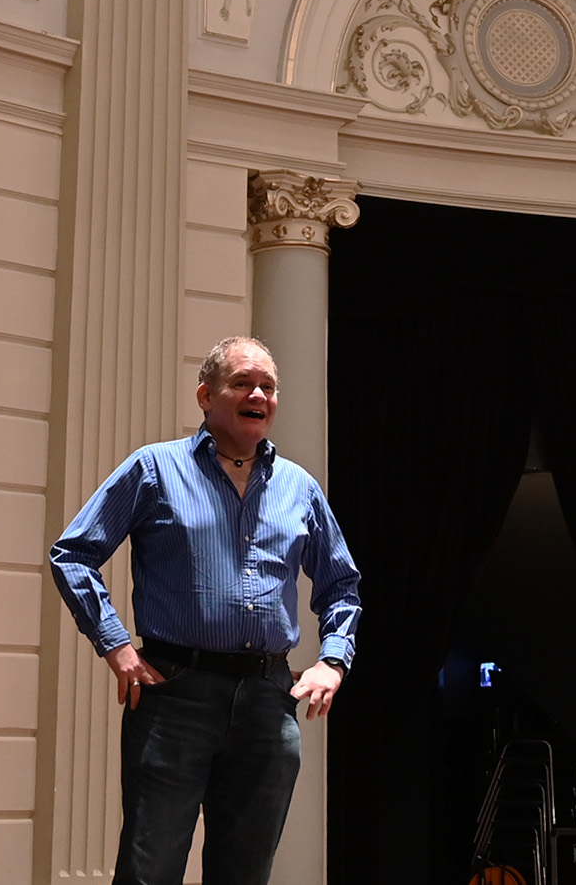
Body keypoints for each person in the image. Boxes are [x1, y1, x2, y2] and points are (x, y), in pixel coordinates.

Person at [50, 336, 362, 885]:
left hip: (267, 702)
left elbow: (342, 585)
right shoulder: (154, 469)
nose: (258, 394)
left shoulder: (299, 487)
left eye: (268, 386)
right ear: (206, 395)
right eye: (242, 382)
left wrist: (332, 661)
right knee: (151, 869)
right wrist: (116, 647)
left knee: (245, 874)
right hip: (175, 694)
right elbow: (73, 555)